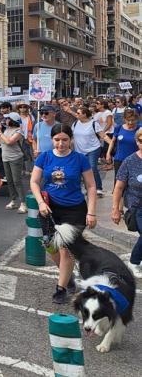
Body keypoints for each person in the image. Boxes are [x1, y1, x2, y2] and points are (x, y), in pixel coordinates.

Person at [30, 124, 97, 304]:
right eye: (57, 140)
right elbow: (34, 182)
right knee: (50, 246)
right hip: (50, 209)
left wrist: (91, 212)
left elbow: (91, 186)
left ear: (71, 140)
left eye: (65, 140)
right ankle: (67, 277)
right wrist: (41, 202)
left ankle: (60, 289)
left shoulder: (80, 159)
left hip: (75, 210)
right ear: (52, 139)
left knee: (66, 249)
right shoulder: (44, 157)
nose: (61, 144)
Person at [111, 128, 142, 278]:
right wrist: (116, 209)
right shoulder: (129, 161)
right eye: (141, 140)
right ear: (137, 141)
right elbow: (118, 188)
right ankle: (134, 262)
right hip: (137, 208)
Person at [0, 112, 27, 213]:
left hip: (16, 158)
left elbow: (9, 142)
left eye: (7, 119)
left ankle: (23, 203)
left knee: (17, 181)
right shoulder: (6, 130)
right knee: (9, 180)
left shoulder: (19, 131)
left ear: (13, 120)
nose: (5, 120)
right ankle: (13, 200)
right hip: (5, 158)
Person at [72, 106, 104, 197]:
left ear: (85, 114)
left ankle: (98, 188)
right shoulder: (75, 123)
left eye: (78, 113)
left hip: (93, 149)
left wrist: (111, 144)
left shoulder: (94, 123)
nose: (76, 114)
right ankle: (88, 188)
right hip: (79, 150)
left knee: (92, 167)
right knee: (83, 170)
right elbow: (71, 137)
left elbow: (102, 135)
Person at [107, 108, 141, 175]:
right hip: (119, 160)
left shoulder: (140, 129)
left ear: (136, 119)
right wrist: (108, 153)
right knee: (118, 180)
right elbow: (112, 141)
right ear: (124, 119)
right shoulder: (118, 128)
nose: (130, 122)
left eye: (132, 120)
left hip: (135, 160)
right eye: (128, 120)